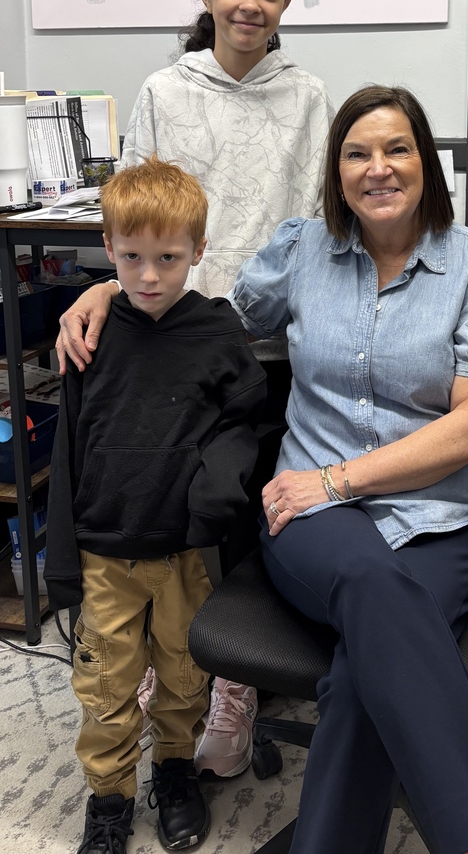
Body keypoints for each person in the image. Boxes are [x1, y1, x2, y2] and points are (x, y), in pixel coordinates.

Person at [61, 84, 468, 854]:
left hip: (437, 514)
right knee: (375, 586)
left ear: (427, 163)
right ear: (336, 171)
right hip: (308, 515)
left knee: (358, 677)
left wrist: (341, 480)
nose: (376, 168)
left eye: (396, 148)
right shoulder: (300, 250)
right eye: (356, 153)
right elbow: (198, 315)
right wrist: (115, 283)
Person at [60, 0, 335, 779]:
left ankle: (237, 683)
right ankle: (174, 664)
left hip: (279, 340)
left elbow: (327, 221)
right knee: (183, 510)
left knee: (254, 503)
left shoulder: (311, 95)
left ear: (285, 5)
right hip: (178, 334)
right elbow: (138, 217)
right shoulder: (164, 90)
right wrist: (106, 285)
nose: (249, 4)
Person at [44, 159, 267, 854]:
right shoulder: (91, 331)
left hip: (183, 553)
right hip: (104, 547)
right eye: (132, 258)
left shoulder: (218, 333)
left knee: (182, 677)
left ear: (197, 252)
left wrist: (217, 492)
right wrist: (62, 559)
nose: (148, 276)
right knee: (107, 689)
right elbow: (70, 445)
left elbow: (246, 422)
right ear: (109, 251)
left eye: (167, 259)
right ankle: (108, 800)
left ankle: (175, 770)